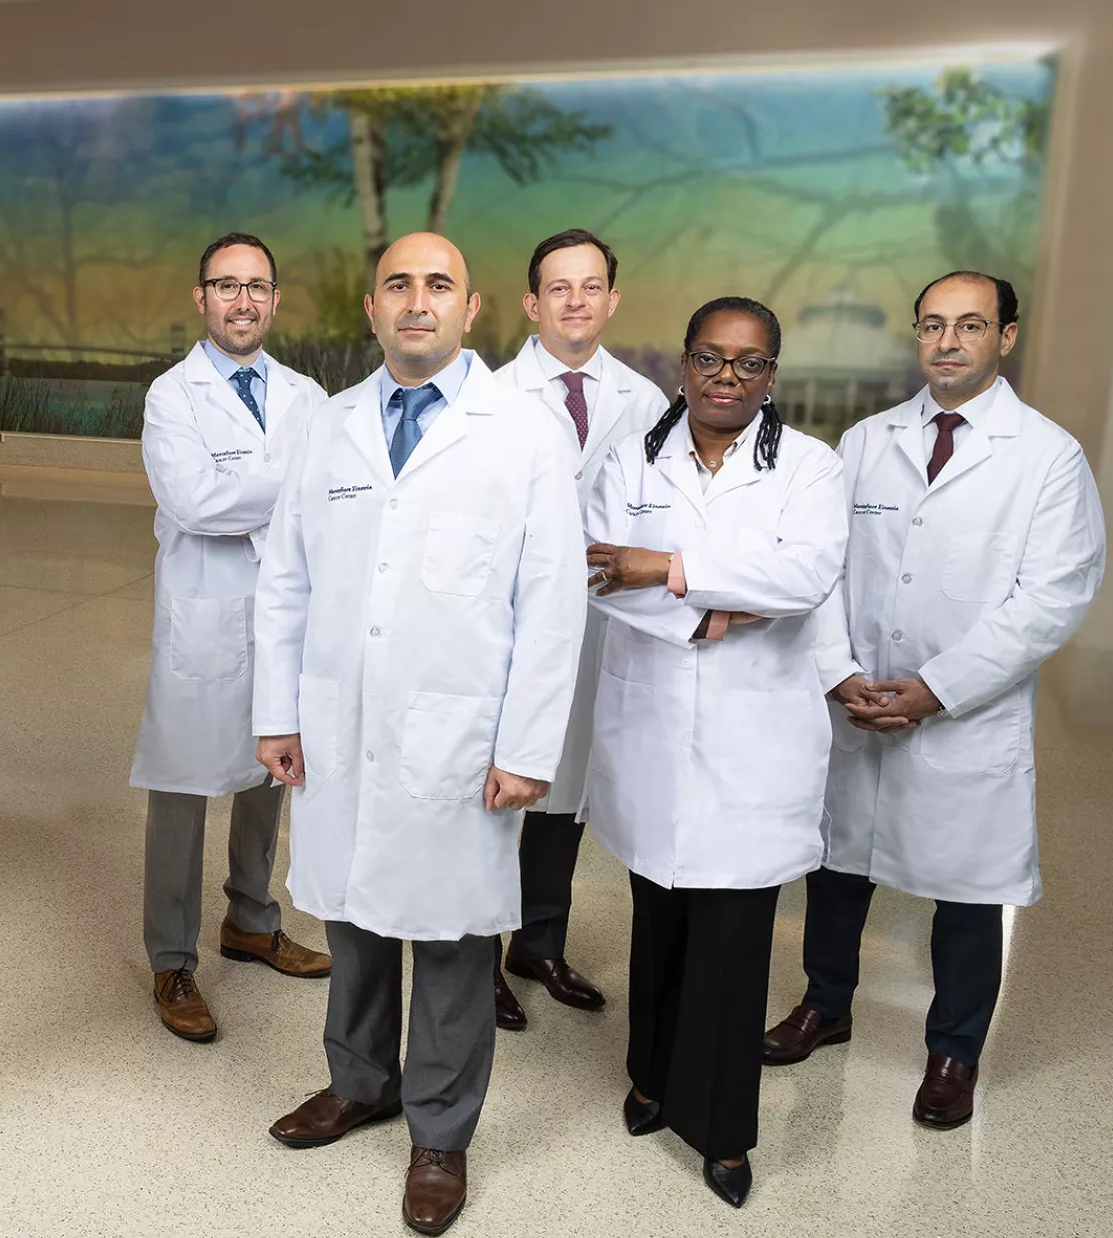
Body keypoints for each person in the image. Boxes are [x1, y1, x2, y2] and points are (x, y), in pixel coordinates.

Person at [254, 232, 586, 1236]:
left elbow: (553, 601)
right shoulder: (330, 425)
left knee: (449, 936)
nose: (416, 300)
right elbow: (286, 578)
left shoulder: (523, 431)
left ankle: (440, 1131)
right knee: (352, 916)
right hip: (340, 720)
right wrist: (277, 711)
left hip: (462, 733)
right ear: (372, 307)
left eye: (438, 284)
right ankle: (359, 1082)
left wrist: (525, 747)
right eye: (397, 283)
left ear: (470, 309)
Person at [764, 271, 1106, 1130]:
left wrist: (937, 690)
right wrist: (837, 670)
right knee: (837, 870)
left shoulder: (1047, 457)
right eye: (932, 326)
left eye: (970, 326)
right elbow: (822, 569)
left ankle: (954, 1051)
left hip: (965, 715)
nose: (947, 342)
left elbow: (1052, 598)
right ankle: (825, 1005)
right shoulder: (866, 441)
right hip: (858, 700)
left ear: (1006, 337)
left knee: (967, 889)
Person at [582, 296, 847, 1209]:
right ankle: (651, 1082)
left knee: (734, 938)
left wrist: (667, 568)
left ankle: (725, 1132)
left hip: (754, 739)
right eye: (710, 357)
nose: (727, 377)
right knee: (657, 920)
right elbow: (599, 571)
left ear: (771, 375)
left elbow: (804, 575)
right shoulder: (631, 458)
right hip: (652, 728)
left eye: (749, 362)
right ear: (685, 363)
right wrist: (708, 613)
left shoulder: (810, 467)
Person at [131, 232, 333, 1043]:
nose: (242, 300)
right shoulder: (170, 396)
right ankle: (171, 958)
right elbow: (194, 503)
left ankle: (251, 919)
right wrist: (293, 492)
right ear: (202, 298)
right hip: (204, 614)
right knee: (182, 787)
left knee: (271, 768)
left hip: (287, 613)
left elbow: (328, 505)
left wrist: (254, 490)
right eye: (226, 285)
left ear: (275, 300)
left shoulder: (308, 396)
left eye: (256, 287)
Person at [490, 228, 670, 1031]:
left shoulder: (645, 401)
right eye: (558, 288)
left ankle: (538, 943)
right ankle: (477, 954)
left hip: (603, 619)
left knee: (565, 788)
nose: (575, 301)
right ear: (532, 304)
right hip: (509, 620)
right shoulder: (491, 397)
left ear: (612, 300)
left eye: (591, 286)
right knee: (500, 787)